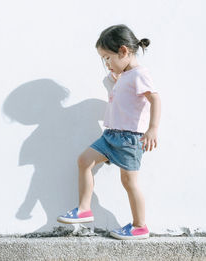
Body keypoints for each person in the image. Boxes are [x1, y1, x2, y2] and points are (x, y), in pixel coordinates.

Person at [57, 24, 161, 240]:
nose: (106, 64)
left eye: (107, 58)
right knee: (84, 160)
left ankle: (140, 226)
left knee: (129, 182)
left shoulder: (139, 74)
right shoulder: (124, 76)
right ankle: (84, 208)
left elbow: (155, 99)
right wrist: (115, 80)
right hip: (110, 135)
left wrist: (152, 129)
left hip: (129, 138)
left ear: (123, 51)